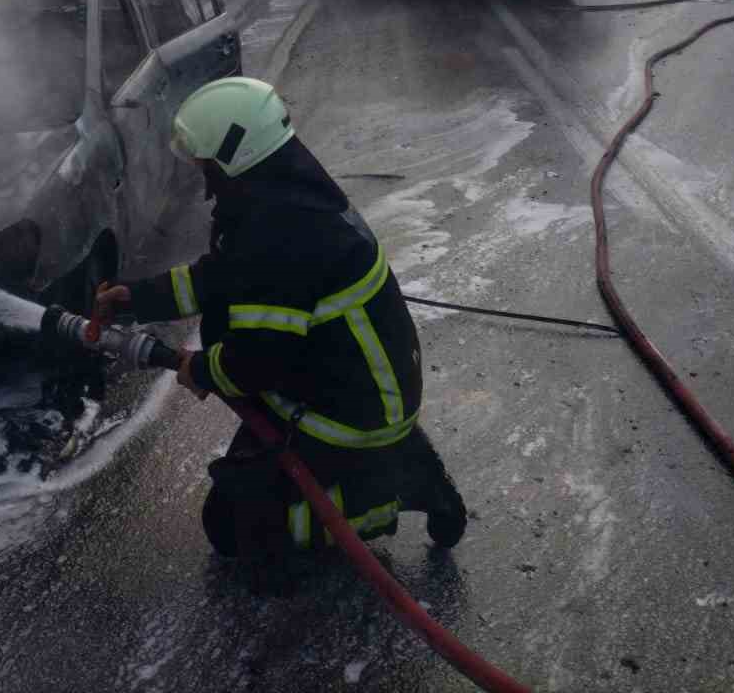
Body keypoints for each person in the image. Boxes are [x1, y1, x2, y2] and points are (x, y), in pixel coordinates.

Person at [94, 76, 466, 569]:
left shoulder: (280, 232)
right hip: (352, 385)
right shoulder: (279, 195)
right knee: (239, 505)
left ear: (232, 157)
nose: (200, 175)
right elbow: (223, 277)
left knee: (233, 532)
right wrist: (137, 299)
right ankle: (400, 462)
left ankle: (384, 494)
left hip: (350, 417)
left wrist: (199, 369)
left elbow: (256, 365)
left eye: (204, 163)